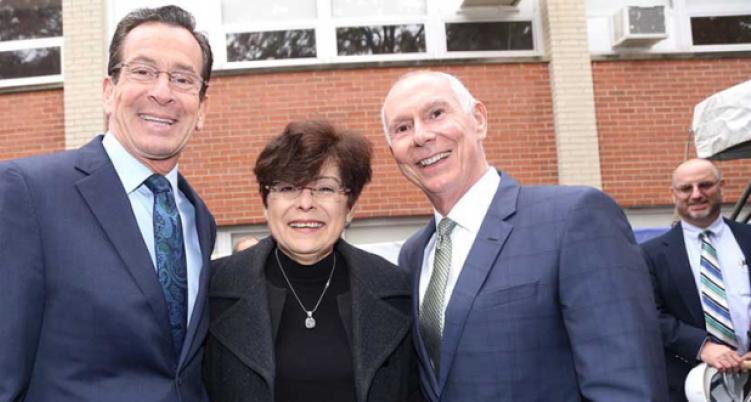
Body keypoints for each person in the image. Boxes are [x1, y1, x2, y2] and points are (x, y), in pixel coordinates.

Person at [380, 70, 668, 401]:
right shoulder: (415, 255)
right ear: (393, 152)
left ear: (479, 120)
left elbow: (626, 386)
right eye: (402, 128)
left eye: (436, 114)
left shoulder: (575, 218)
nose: (421, 135)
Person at [0, 6, 216, 401]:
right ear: (108, 91)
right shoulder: (28, 194)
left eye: (182, 79)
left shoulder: (198, 218)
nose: (162, 92)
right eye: (143, 71)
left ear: (201, 108)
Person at [203, 120, 421, 402]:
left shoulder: (396, 289)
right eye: (287, 188)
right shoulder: (214, 289)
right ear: (266, 205)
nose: (305, 203)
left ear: (350, 208)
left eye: (326, 189)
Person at [642, 158, 751, 402]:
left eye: (705, 185)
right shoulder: (650, 254)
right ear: (673, 194)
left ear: (721, 186)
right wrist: (703, 347)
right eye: (686, 189)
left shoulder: (748, 238)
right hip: (691, 385)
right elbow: (650, 315)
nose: (696, 195)